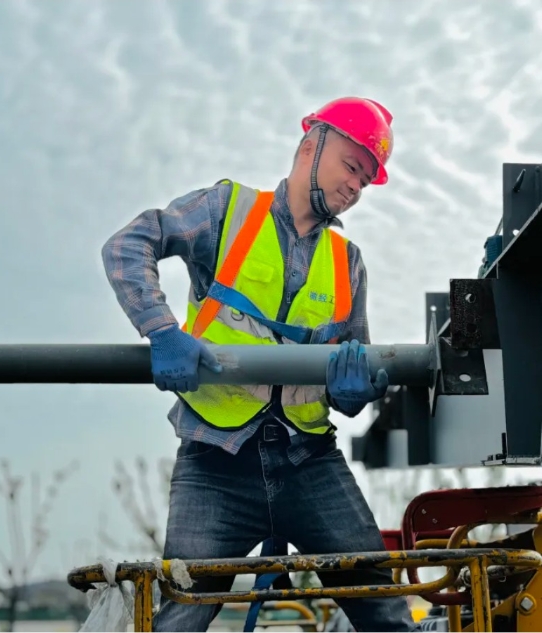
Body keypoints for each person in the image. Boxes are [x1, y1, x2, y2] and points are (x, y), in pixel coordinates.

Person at [101, 97, 416, 632]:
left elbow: (354, 361)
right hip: (214, 464)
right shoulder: (227, 211)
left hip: (310, 462)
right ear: (311, 146)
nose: (355, 188)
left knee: (387, 614)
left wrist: (352, 393)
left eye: (365, 180)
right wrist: (161, 331)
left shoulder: (348, 263)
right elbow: (128, 246)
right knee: (180, 621)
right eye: (350, 165)